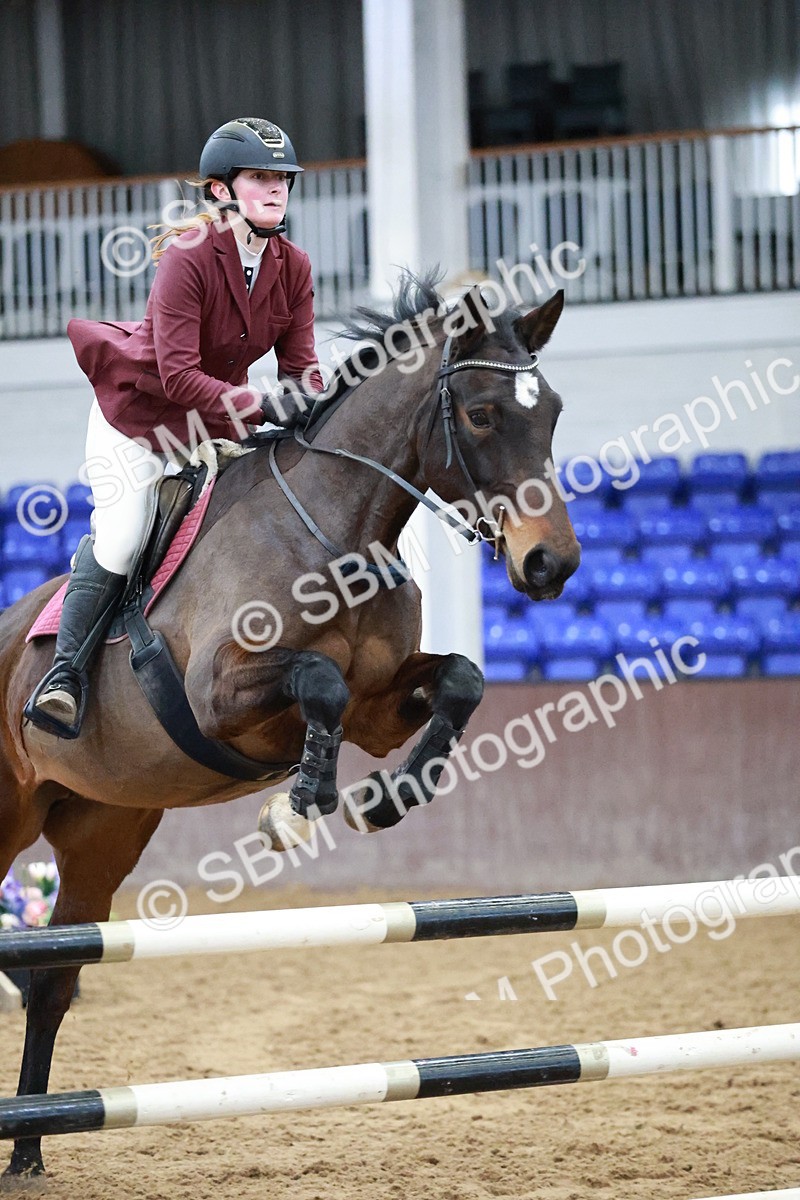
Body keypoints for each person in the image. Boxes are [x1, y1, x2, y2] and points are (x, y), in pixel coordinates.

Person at [27, 116, 323, 736]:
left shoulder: (293, 267)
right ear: (221, 190)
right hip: (139, 420)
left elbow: (302, 368)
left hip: (213, 425)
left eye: (283, 180)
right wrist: (268, 407)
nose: (276, 191)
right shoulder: (188, 261)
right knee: (123, 535)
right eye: (261, 178)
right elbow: (181, 377)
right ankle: (64, 677)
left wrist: (319, 401)